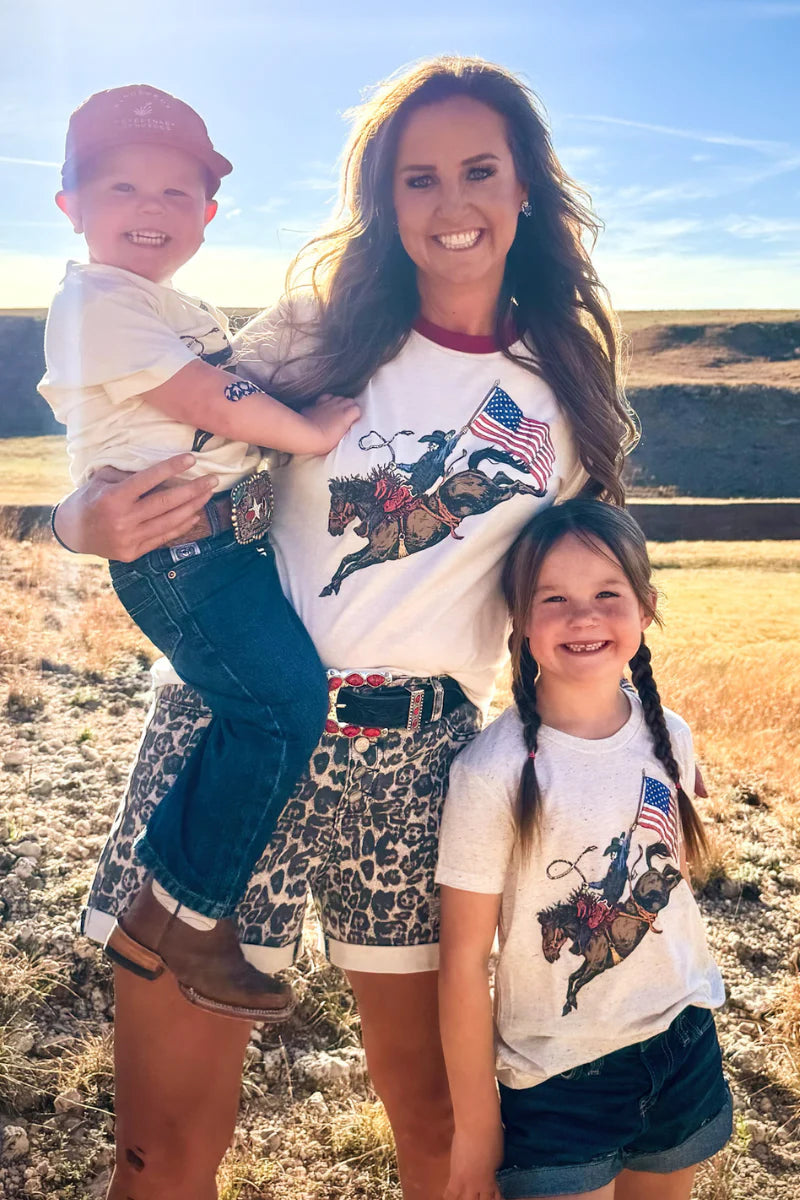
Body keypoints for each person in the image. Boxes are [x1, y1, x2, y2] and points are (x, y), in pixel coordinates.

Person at [52, 57, 639, 1200]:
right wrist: (79, 522)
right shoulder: (323, 329)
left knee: (443, 1133)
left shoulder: (562, 391)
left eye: (478, 171)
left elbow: (577, 600)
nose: (450, 203)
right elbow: (150, 424)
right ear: (386, 197)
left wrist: (616, 765)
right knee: (161, 1149)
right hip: (234, 738)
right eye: (418, 178)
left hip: (419, 769)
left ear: (525, 186)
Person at [38, 84, 360, 1022]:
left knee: (274, 705)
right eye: (123, 188)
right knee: (279, 711)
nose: (152, 209)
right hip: (177, 555)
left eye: (176, 193)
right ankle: (188, 917)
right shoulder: (97, 304)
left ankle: (158, 913)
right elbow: (213, 401)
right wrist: (310, 432)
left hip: (221, 548)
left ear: (208, 215)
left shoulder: (174, 306)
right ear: (71, 207)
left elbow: (227, 388)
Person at [437, 500, 730, 1200]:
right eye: (554, 599)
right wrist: (476, 1132)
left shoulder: (670, 735)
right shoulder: (491, 773)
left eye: (607, 594)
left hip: (682, 1041)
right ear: (518, 618)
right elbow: (464, 963)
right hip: (558, 1079)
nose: (583, 617)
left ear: (645, 608)